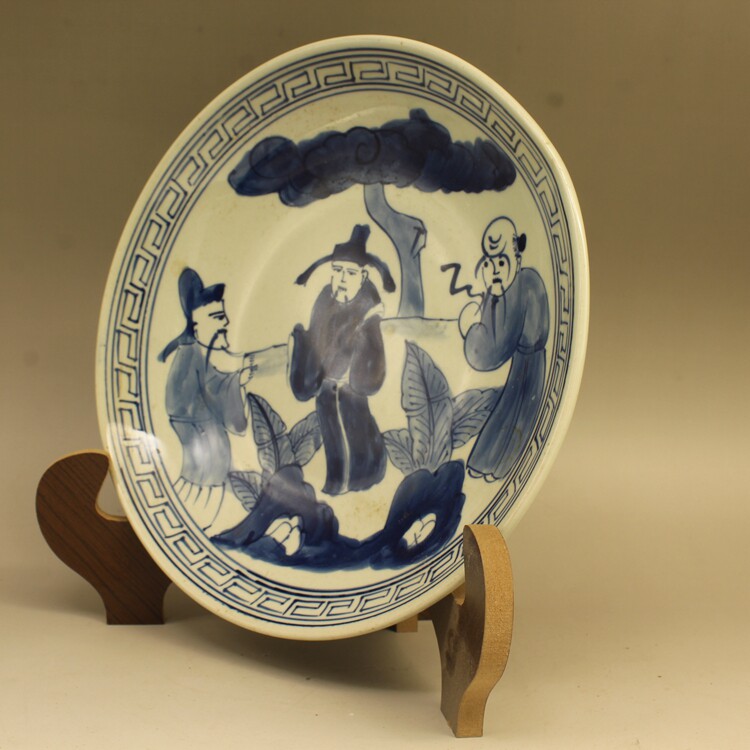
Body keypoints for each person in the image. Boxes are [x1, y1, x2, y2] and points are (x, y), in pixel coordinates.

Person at [289, 224, 395, 495]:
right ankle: (336, 482)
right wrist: (301, 343)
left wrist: (367, 329)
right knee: (332, 436)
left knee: (357, 430)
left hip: (351, 388)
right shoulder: (325, 298)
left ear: (363, 276)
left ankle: (365, 476)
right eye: (337, 271)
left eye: (350, 273)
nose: (342, 279)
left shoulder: (369, 305)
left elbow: (371, 358)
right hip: (326, 385)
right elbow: (314, 336)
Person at [158, 268, 254, 529]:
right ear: (197, 326)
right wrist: (236, 381)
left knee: (209, 485)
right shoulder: (190, 354)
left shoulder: (197, 354)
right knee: (201, 486)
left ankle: (192, 526)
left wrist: (236, 380)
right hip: (199, 435)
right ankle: (186, 526)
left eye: (224, 316)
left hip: (204, 433)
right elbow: (211, 389)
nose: (226, 324)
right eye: (218, 317)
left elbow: (213, 383)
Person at [459, 217, 549, 482]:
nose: (495, 270)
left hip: (529, 367)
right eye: (490, 262)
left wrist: (469, 329)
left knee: (515, 414)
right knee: (508, 413)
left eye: (501, 262)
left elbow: (491, 352)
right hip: (525, 364)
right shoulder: (514, 286)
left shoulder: (521, 288)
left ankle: (495, 467)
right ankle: (488, 465)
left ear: (516, 259)